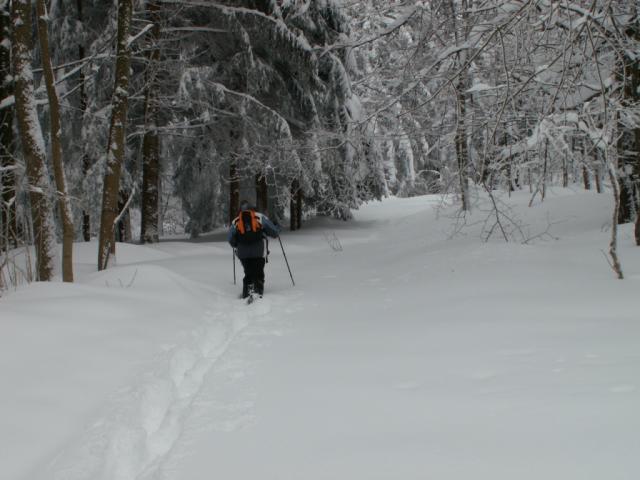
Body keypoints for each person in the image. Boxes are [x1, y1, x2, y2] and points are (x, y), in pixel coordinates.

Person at [228, 200, 280, 298]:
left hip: (243, 252)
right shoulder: (259, 217)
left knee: (248, 272)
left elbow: (230, 238)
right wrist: (277, 227)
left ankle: (246, 292)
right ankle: (257, 291)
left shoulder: (236, 220)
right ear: (252, 208)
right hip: (258, 251)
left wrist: (236, 245)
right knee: (258, 271)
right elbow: (274, 232)